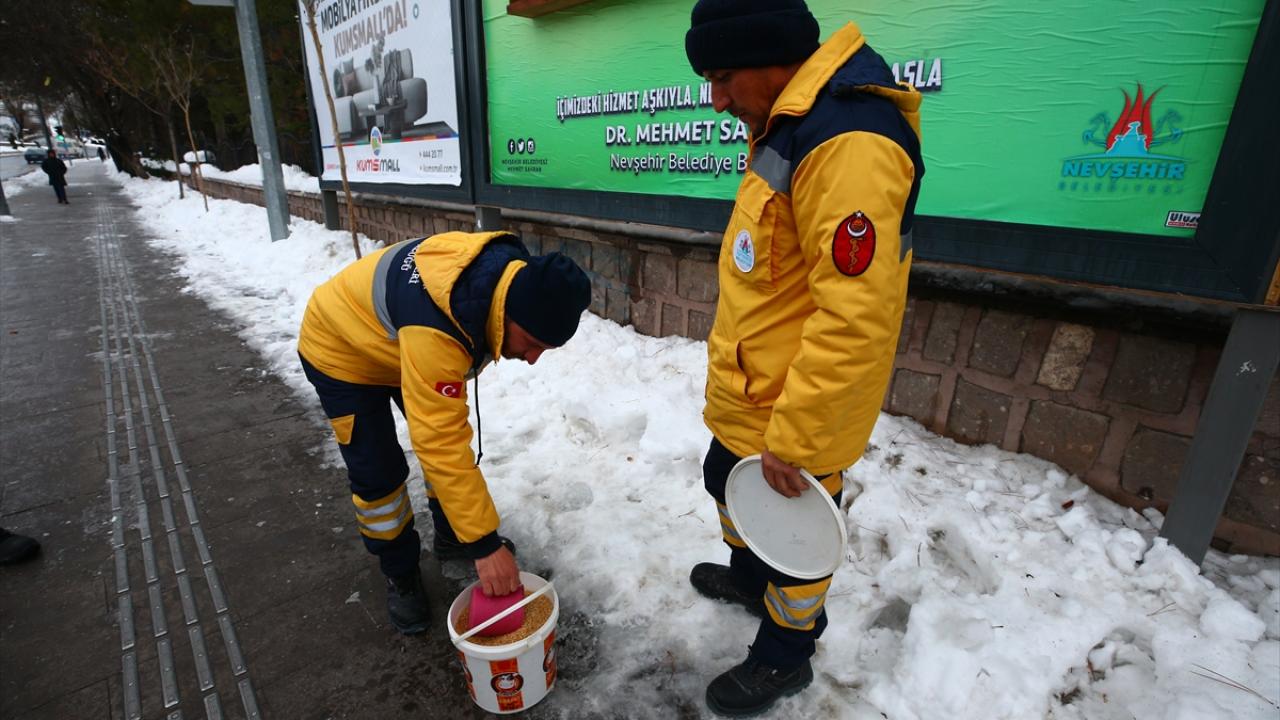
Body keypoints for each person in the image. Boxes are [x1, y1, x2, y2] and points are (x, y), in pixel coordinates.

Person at [684, 0, 924, 715]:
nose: (715, 98)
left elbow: (856, 318)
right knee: (723, 482)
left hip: (792, 413)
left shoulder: (847, 140)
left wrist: (799, 440)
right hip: (752, 396)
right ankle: (750, 579)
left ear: (774, 56)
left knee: (796, 543)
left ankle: (786, 654)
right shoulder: (792, 121)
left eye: (725, 77)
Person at [298, 230, 591, 635]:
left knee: (446, 438)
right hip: (339, 348)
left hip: (398, 342)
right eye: (533, 343)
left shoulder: (499, 283)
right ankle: (400, 573)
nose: (532, 359)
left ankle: (453, 535)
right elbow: (439, 442)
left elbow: (444, 431)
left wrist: (475, 537)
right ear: (511, 313)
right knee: (378, 473)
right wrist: (486, 545)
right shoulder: (441, 322)